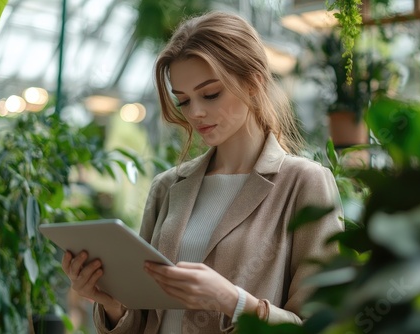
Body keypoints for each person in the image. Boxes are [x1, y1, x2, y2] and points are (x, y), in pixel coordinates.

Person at [61, 10, 344, 334]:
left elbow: (321, 325)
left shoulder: (304, 184)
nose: (195, 112)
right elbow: (142, 319)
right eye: (183, 100)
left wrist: (233, 301)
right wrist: (109, 302)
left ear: (254, 81)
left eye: (211, 94)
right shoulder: (167, 187)